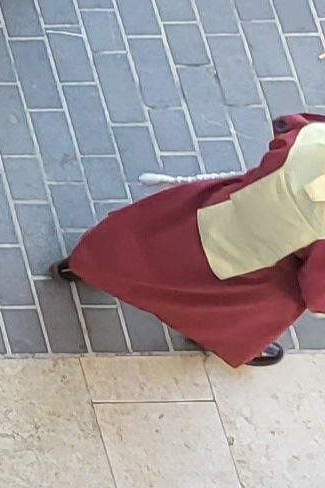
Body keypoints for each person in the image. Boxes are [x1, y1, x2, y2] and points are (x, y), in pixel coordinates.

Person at [58, 112, 325, 367]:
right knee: (256, 310)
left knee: (140, 238)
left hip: (215, 208)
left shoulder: (315, 138)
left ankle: (84, 264)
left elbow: (288, 128)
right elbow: (316, 290)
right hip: (250, 262)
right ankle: (214, 337)